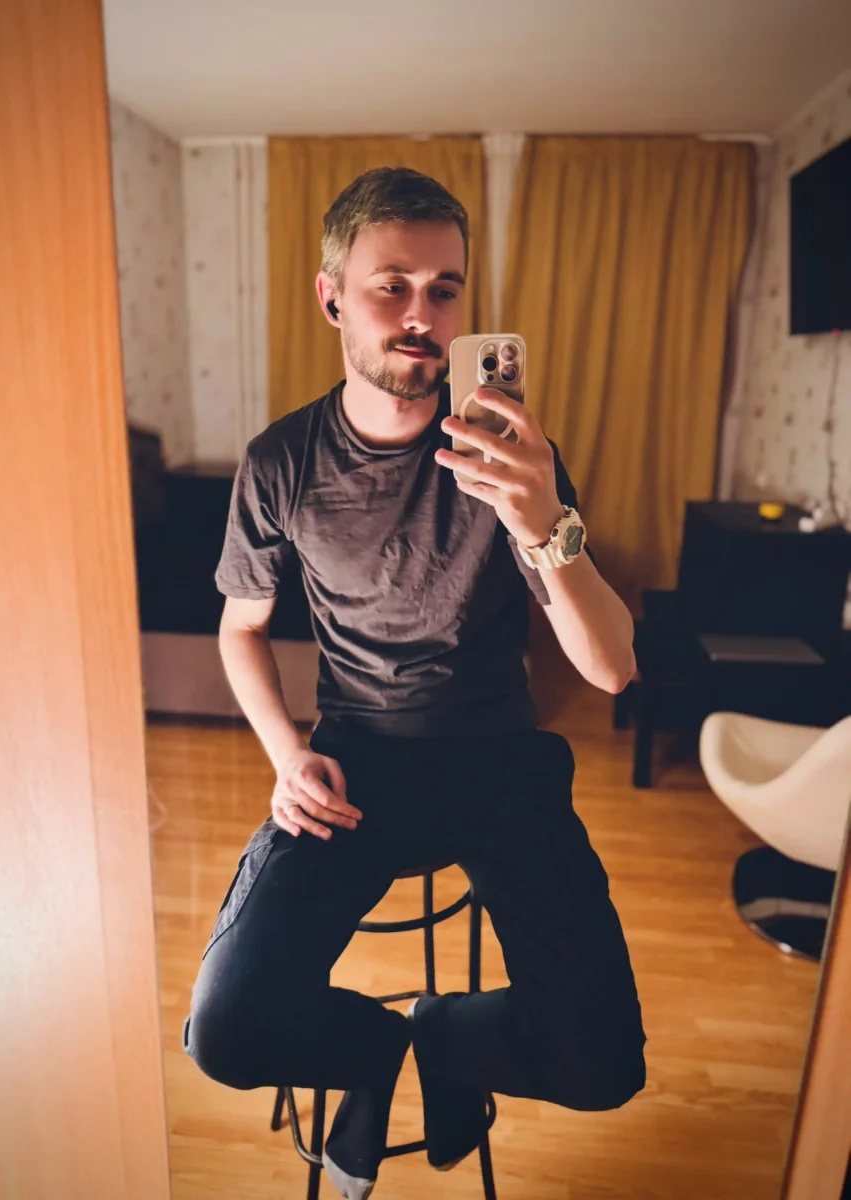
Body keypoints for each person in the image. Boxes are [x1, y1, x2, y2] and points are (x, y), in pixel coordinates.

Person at [183, 166, 647, 1199]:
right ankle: (372, 1051)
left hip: (501, 762)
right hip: (353, 761)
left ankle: (444, 1036)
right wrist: (284, 756)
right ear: (331, 298)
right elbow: (240, 628)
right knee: (226, 1030)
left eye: (444, 290)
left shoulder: (515, 456)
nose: (420, 316)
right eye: (391, 286)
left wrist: (543, 520)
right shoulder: (281, 462)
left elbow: (611, 667)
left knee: (603, 1066)